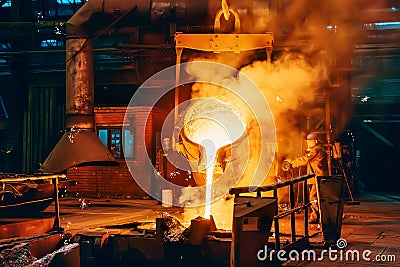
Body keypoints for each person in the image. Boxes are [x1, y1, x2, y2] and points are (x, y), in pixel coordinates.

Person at [283, 132, 329, 224]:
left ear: (315, 141)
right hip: (318, 177)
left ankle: (315, 217)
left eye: (309, 141)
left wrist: (291, 163)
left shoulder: (317, 150)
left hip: (318, 177)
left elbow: (305, 159)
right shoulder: (319, 149)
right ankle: (322, 216)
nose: (308, 143)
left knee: (313, 197)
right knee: (317, 197)